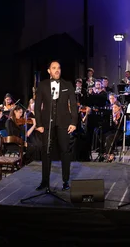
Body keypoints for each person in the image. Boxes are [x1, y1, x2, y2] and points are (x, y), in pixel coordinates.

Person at [34, 61, 78, 191]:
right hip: (47, 123)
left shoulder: (67, 85)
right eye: (54, 68)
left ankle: (65, 181)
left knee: (65, 151)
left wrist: (74, 122)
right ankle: (45, 181)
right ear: (49, 71)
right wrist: (39, 124)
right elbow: (37, 106)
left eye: (58, 68)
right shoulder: (43, 85)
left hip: (64, 122)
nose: (57, 70)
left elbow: (73, 105)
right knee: (46, 151)